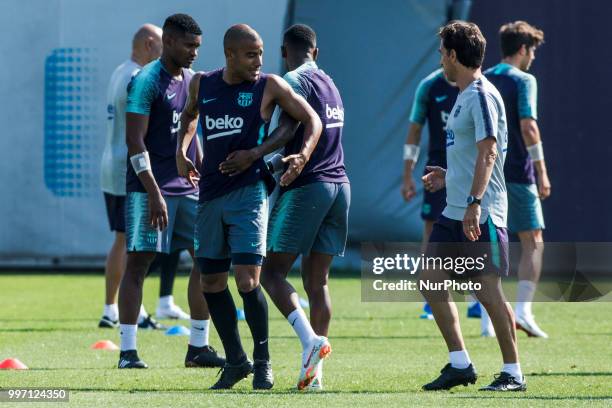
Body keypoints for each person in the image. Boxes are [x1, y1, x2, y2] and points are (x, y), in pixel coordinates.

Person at [176, 24, 322, 390]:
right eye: (250, 54)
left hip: (250, 192)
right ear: (230, 55)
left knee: (247, 279)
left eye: (260, 53)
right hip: (209, 194)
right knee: (210, 281)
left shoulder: (269, 85)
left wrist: (275, 155)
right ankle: (236, 360)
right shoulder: (202, 84)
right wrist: (182, 152)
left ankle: (262, 363)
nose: (259, 61)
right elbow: (189, 116)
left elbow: (311, 119)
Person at [419, 21, 526, 391]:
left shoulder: (481, 93)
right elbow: (474, 156)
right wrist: (447, 176)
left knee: (488, 291)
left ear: (452, 55)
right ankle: (460, 364)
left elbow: (490, 151)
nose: (440, 60)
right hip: (454, 209)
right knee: (429, 280)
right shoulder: (463, 94)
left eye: (441, 53)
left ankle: (513, 373)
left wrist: (475, 203)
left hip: (482, 211)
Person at [118, 13, 224, 370]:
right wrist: (153, 192)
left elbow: (193, 127)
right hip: (149, 189)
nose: (195, 52)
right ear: (169, 41)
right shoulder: (145, 81)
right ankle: (128, 352)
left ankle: (198, 347)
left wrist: (202, 168)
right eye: (189, 45)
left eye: (198, 46)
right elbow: (134, 142)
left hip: (189, 190)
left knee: (206, 261)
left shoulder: (194, 80)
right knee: (138, 264)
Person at [259, 23, 349, 391]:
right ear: (317, 51)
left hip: (309, 186)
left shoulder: (292, 81)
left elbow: (286, 133)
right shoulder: (331, 83)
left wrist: (258, 158)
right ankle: (314, 376)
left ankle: (310, 341)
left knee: (270, 274)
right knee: (318, 281)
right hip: (341, 186)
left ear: (284, 51)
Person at [100, 24, 187, 330]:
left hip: (112, 165)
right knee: (129, 243)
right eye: (163, 44)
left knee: (123, 240)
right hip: (129, 168)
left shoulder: (119, 72)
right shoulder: (137, 78)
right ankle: (122, 310)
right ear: (150, 44)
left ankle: (112, 307)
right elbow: (139, 133)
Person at [485, 21, 549, 338]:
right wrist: (542, 171)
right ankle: (522, 311)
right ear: (523, 49)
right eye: (532, 50)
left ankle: (487, 320)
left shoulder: (482, 77)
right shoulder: (524, 80)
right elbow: (529, 127)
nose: (533, 57)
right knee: (532, 240)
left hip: (486, 173)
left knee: (487, 242)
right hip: (518, 174)